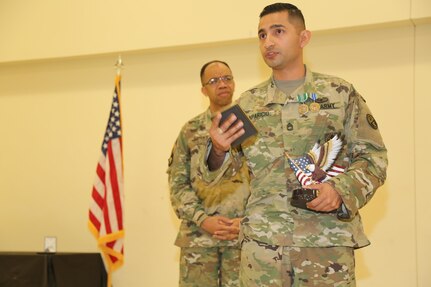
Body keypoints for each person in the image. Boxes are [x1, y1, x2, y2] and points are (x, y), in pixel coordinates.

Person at [203, 3, 388, 286]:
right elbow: (224, 175)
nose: (268, 42)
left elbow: (373, 158)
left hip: (325, 247)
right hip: (262, 250)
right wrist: (217, 150)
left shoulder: (339, 94)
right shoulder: (248, 104)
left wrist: (340, 191)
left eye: (278, 31)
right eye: (262, 35)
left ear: (304, 38)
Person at [168, 60, 250, 287]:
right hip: (199, 241)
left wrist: (246, 222)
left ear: (234, 83)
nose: (222, 84)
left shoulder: (251, 127)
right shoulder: (190, 131)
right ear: (204, 90)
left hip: (243, 238)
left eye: (227, 78)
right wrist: (203, 220)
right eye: (214, 81)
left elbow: (266, 180)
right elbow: (178, 184)